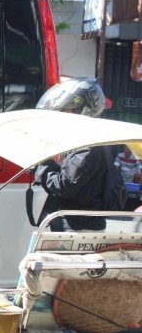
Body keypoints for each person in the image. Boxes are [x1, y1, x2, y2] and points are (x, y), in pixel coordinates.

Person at [34, 77, 111, 231]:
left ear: (82, 110)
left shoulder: (88, 147)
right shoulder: (80, 143)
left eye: (64, 111)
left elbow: (65, 185)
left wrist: (40, 168)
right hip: (72, 225)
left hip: (79, 229)